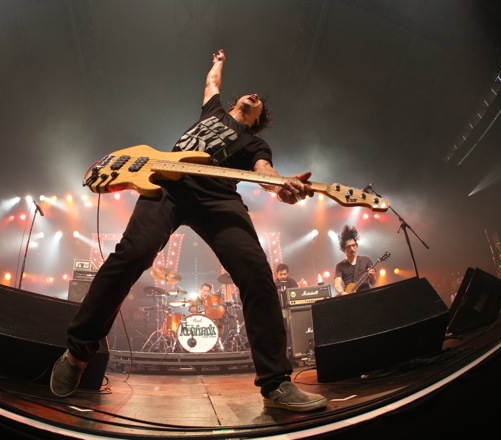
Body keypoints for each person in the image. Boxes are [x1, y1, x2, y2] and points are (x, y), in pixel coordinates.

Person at [50, 49, 327, 412]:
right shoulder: (213, 113)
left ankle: (276, 384)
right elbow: (211, 83)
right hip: (169, 183)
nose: (255, 95)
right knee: (132, 254)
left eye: (260, 102)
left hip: (218, 197)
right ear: (234, 102)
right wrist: (219, 62)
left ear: (258, 119)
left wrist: (280, 187)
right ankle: (77, 353)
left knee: (257, 273)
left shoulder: (255, 143)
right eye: (250, 95)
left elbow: (264, 172)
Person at [333, 225, 376, 296]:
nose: (352, 249)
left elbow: (373, 282)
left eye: (353, 245)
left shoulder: (366, 259)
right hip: (350, 295)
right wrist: (342, 293)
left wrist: (372, 276)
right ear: (344, 249)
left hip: (366, 294)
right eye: (348, 247)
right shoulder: (339, 266)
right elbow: (337, 284)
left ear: (356, 245)